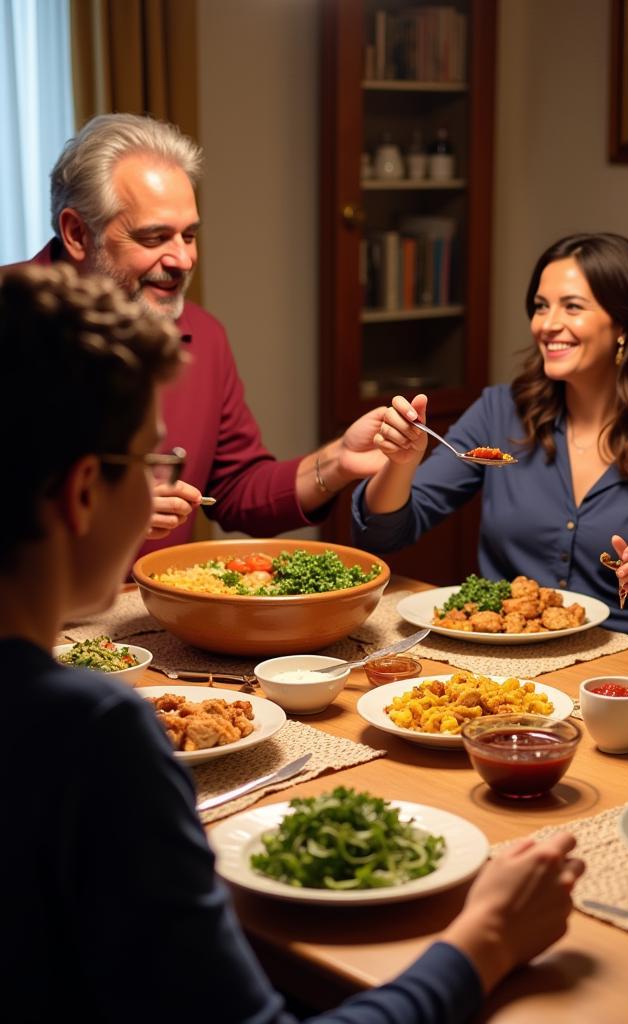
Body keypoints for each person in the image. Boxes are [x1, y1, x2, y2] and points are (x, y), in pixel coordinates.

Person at [1, 263, 584, 1022]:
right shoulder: (91, 736)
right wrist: (487, 941)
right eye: (152, 460)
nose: (162, 488)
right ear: (82, 494)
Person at [14, 112, 385, 554]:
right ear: (77, 234)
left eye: (188, 236)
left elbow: (237, 488)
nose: (183, 260)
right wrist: (96, 509)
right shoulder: (9, 320)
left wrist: (338, 459)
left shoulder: (204, 338)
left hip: (146, 617)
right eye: (155, 238)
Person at [352, 232, 628, 648]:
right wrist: (401, 463)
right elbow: (382, 535)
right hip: (499, 659)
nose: (546, 324)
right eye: (541, 306)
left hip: (622, 667)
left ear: (625, 324)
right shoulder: (498, 412)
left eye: (572, 307)